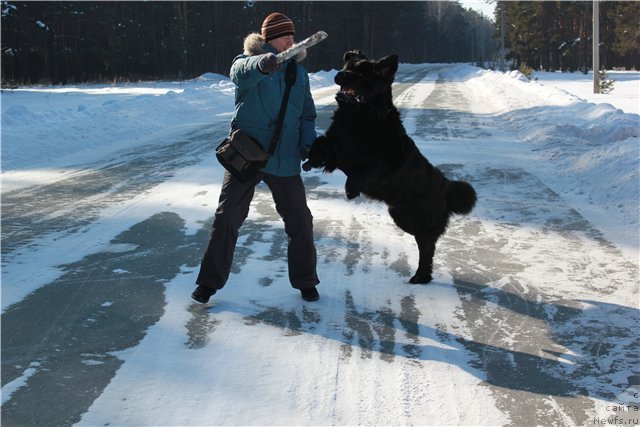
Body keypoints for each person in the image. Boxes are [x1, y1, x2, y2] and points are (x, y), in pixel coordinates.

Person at [192, 12, 320, 304]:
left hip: (284, 158)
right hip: (246, 155)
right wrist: (262, 64)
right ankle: (208, 284)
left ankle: (306, 282)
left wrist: (308, 145)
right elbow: (240, 71)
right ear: (269, 39)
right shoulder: (248, 64)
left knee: (301, 221)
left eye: (292, 34)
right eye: (284, 35)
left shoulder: (298, 73)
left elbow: (307, 115)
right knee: (227, 219)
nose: (291, 40)